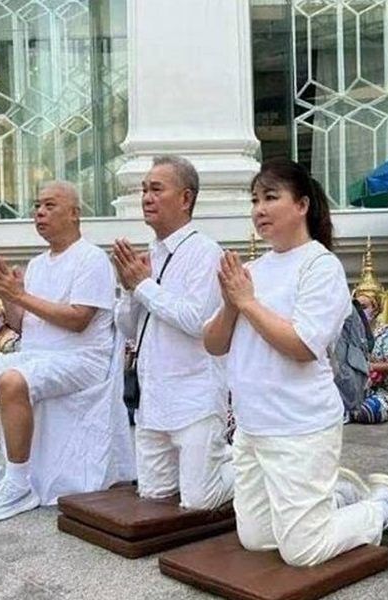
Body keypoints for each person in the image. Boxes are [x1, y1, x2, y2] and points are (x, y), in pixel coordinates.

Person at [203, 158, 388, 568]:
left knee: (303, 551)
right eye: (254, 200)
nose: (259, 209)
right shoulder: (250, 271)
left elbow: (303, 344)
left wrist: (247, 301)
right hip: (252, 425)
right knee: (256, 539)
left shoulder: (321, 266)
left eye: (270, 197)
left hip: (299, 422)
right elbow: (214, 344)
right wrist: (232, 303)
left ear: (301, 204)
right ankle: (336, 495)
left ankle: (384, 507)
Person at [0, 181, 134, 524]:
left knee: (12, 381)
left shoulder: (92, 258)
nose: (39, 212)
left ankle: (19, 483)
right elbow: (22, 325)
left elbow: (78, 320)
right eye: (37, 206)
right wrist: (9, 295)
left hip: (81, 358)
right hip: (37, 354)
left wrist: (19, 295)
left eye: (50, 206)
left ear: (74, 214)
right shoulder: (37, 264)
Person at [112, 155, 233, 510]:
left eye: (156, 189)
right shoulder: (149, 254)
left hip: (193, 396)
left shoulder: (204, 252)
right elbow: (130, 329)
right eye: (144, 190)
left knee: (199, 499)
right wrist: (128, 290)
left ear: (185, 198)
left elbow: (198, 321)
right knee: (154, 496)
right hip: (154, 400)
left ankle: (250, 465)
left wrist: (144, 286)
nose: (146, 197)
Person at [347, 240, 388, 424]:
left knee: (366, 413)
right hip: (354, 387)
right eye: (356, 306)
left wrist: (367, 366)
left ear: (376, 308)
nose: (359, 311)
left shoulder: (386, 334)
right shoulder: (350, 333)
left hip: (382, 390)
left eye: (364, 306)